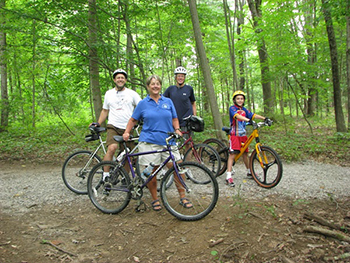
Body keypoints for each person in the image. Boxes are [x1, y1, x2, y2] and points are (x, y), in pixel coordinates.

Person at [123, 75, 192, 211]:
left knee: (178, 168)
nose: (155, 86)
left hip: (168, 141)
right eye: (152, 84)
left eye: (158, 84)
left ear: (160, 86)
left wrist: (177, 129)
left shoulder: (168, 101)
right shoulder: (143, 103)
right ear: (148, 87)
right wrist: (126, 132)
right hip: (149, 142)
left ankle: (183, 197)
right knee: (151, 173)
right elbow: (132, 120)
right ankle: (155, 199)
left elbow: (174, 118)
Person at [90, 69, 141, 167]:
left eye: (122, 78)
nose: (120, 80)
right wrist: (98, 123)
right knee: (112, 148)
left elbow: (141, 107)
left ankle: (125, 179)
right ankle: (106, 175)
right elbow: (105, 110)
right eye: (118, 78)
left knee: (127, 154)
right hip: (113, 126)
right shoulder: (109, 93)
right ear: (114, 80)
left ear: (125, 80)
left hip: (128, 127)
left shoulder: (132, 94)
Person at [225, 90, 271, 187]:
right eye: (238, 98)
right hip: (235, 134)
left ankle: (249, 171)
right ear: (234, 100)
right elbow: (236, 116)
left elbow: (253, 115)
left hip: (243, 135)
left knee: (245, 153)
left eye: (241, 98)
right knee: (232, 155)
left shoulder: (244, 110)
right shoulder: (232, 108)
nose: (240, 100)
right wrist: (248, 120)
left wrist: (264, 118)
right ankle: (228, 176)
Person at [163, 66, 197, 151]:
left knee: (188, 144)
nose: (180, 78)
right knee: (173, 143)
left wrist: (194, 116)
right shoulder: (171, 89)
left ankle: (187, 163)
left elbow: (193, 103)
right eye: (178, 76)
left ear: (184, 77)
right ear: (175, 77)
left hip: (187, 121)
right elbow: (162, 101)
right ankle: (176, 162)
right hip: (174, 121)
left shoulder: (189, 89)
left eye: (182, 76)